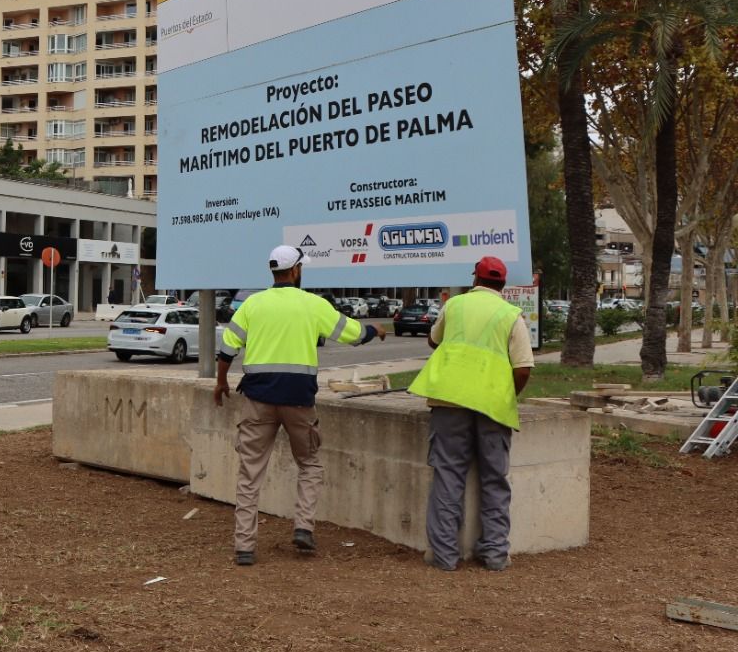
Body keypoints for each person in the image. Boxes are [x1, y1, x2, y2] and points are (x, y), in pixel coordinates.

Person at [214, 245, 385, 566]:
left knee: (250, 474)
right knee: (309, 464)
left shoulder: (253, 304)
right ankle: (303, 527)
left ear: (274, 272)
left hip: (258, 399)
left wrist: (221, 382)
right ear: (295, 272)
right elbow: (353, 334)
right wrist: (375, 330)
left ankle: (244, 547)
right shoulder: (313, 305)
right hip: (299, 402)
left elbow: (227, 349)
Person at [407, 256, 532, 572]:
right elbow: (523, 367)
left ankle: (445, 556)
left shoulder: (455, 306)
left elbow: (433, 340)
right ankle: (494, 555)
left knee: (448, 476)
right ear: (502, 284)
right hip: (492, 408)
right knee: (494, 479)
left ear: (474, 279)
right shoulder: (512, 315)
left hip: (448, 402)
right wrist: (506, 396)